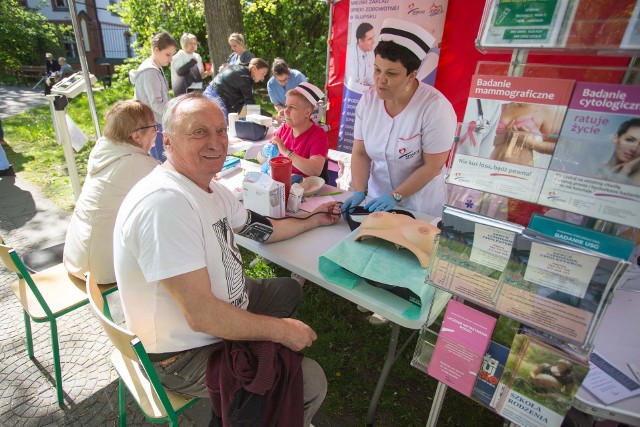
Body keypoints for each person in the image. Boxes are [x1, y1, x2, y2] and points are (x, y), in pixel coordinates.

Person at [113, 92, 340, 426]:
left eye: (220, 131)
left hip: (219, 310)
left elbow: (259, 229)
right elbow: (202, 315)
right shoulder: (165, 204)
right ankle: (260, 409)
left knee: (289, 291)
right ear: (168, 141)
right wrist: (279, 331)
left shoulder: (206, 186)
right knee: (310, 381)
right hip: (181, 355)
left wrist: (312, 220)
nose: (216, 142)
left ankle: (260, 391)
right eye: (199, 132)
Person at [342, 18, 456, 218]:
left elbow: (433, 165)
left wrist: (396, 196)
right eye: (377, 70)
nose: (380, 80)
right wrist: (360, 190)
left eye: (391, 73)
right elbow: (360, 153)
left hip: (420, 205)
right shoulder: (368, 101)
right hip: (377, 201)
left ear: (412, 75)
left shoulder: (435, 108)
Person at [63, 100, 160, 284]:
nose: (157, 131)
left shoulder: (106, 148)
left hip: (77, 256)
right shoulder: (135, 163)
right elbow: (175, 187)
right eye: (153, 126)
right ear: (137, 136)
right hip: (100, 268)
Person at [258, 82, 328, 178]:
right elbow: (260, 159)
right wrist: (264, 153)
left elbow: (315, 170)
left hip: (306, 189)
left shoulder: (318, 135)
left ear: (307, 112)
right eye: (286, 106)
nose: (285, 111)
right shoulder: (284, 129)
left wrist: (286, 152)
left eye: (292, 107)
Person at [129, 31, 178, 162]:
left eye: (172, 55)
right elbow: (156, 103)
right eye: (168, 54)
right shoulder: (150, 71)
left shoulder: (155, 68)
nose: (170, 59)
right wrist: (174, 114)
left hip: (156, 122)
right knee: (159, 162)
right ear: (156, 50)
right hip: (153, 124)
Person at [490, 102, 564, 168]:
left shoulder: (544, 109)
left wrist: (532, 143)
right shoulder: (503, 105)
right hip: (493, 163)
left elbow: (561, 148)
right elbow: (487, 139)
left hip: (521, 169)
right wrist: (506, 136)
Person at [204, 58, 269, 120]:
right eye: (263, 73)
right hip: (215, 96)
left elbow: (242, 105)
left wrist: (241, 119)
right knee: (221, 125)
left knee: (233, 121)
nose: (263, 78)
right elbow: (250, 105)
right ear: (254, 68)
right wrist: (270, 116)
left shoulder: (241, 70)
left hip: (211, 92)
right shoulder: (245, 77)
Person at [602, 118, 640, 185]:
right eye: (629, 140)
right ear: (615, 138)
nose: (633, 149)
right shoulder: (594, 168)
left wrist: (627, 170)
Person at [353, 22, 376, 87]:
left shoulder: (370, 52)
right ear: (360, 41)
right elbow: (352, 83)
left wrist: (376, 85)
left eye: (373, 37)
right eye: (370, 39)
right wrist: (368, 88)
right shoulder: (351, 55)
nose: (373, 41)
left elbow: (369, 77)